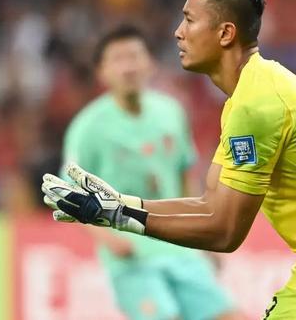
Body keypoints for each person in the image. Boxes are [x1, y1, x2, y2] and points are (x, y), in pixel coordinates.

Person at [43, 0, 296, 319]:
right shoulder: (254, 90)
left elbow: (224, 231)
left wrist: (119, 216)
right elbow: (210, 203)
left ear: (225, 34)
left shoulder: (256, 105)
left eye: (189, 20)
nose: (177, 32)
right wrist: (122, 203)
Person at [61, 24, 239, 320]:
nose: (128, 67)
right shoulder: (88, 127)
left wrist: (202, 237)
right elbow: (68, 194)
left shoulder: (171, 112)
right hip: (134, 255)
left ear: (150, 63)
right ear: (102, 72)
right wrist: (110, 239)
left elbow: (184, 175)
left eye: (134, 56)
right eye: (118, 59)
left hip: (179, 247)